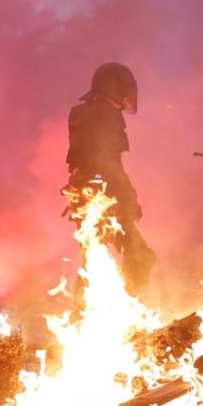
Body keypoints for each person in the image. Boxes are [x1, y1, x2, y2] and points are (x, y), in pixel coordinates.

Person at [66, 62, 155, 297]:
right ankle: (133, 305)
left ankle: (84, 315)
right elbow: (106, 164)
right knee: (139, 256)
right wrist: (126, 198)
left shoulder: (87, 112)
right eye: (125, 88)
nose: (128, 94)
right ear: (113, 87)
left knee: (93, 258)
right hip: (102, 199)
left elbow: (89, 163)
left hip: (90, 198)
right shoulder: (103, 115)